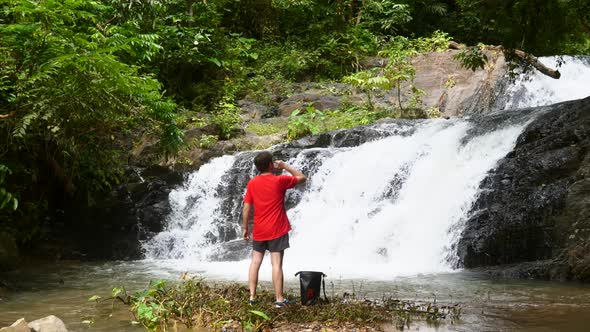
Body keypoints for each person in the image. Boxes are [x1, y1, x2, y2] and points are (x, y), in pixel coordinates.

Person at [242, 151, 306, 307]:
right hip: (277, 229)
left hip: (259, 229)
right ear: (271, 164)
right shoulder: (279, 180)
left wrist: (245, 228)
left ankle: (252, 297)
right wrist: (285, 166)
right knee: (276, 264)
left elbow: (246, 207)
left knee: (255, 262)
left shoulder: (252, 183)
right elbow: (302, 178)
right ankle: (279, 299)